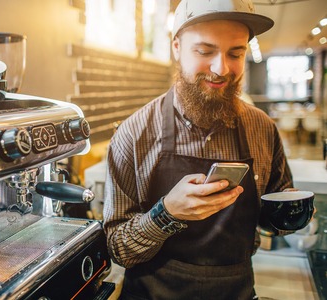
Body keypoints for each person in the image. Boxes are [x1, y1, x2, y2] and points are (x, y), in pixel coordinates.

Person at [102, 0, 294, 299]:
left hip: (236, 289)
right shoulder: (134, 134)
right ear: (177, 47)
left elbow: (277, 217)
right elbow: (118, 250)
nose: (221, 69)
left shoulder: (262, 129)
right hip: (152, 290)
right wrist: (165, 214)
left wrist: (290, 216)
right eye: (205, 51)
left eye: (236, 53)